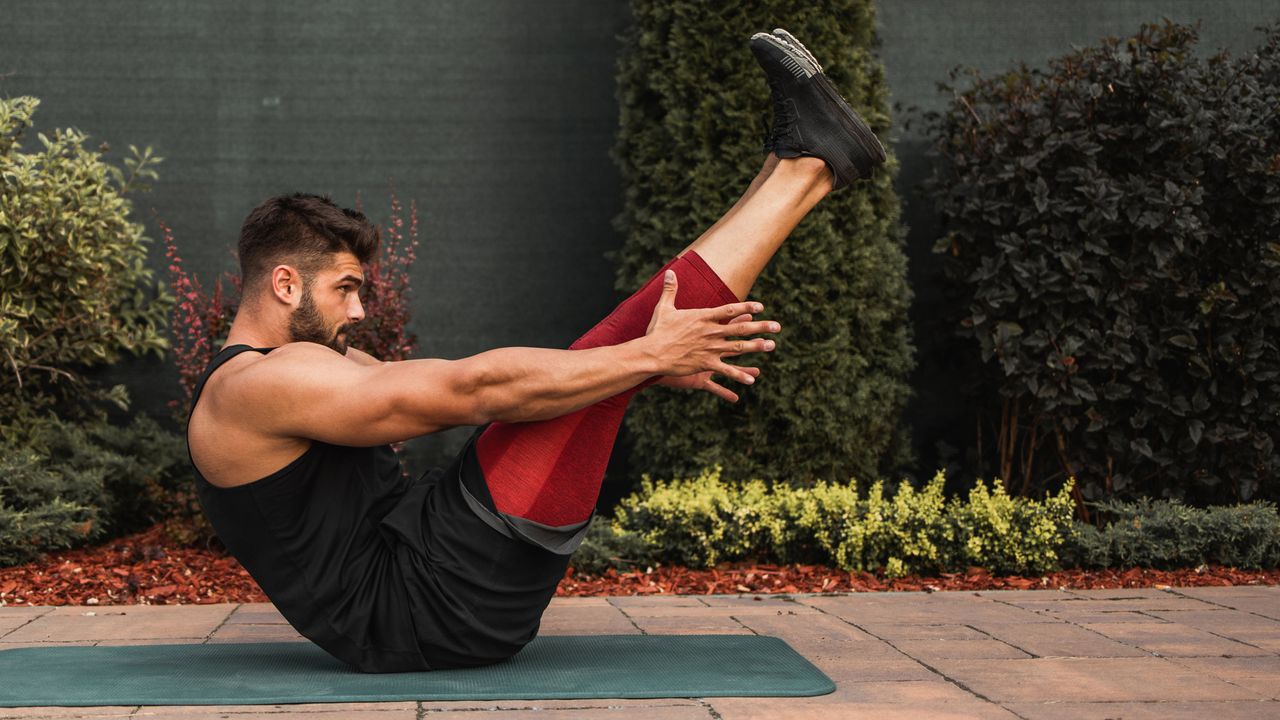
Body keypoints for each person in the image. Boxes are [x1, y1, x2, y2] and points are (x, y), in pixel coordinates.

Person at [185, 28, 885, 673]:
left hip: (440, 578)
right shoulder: (255, 387)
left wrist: (629, 371)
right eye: (344, 288)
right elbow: (470, 392)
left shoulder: (292, 375)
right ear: (284, 283)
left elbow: (478, 386)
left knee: (612, 354)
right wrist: (643, 363)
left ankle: (795, 168)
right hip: (427, 605)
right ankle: (805, 168)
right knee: (625, 345)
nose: (360, 309)